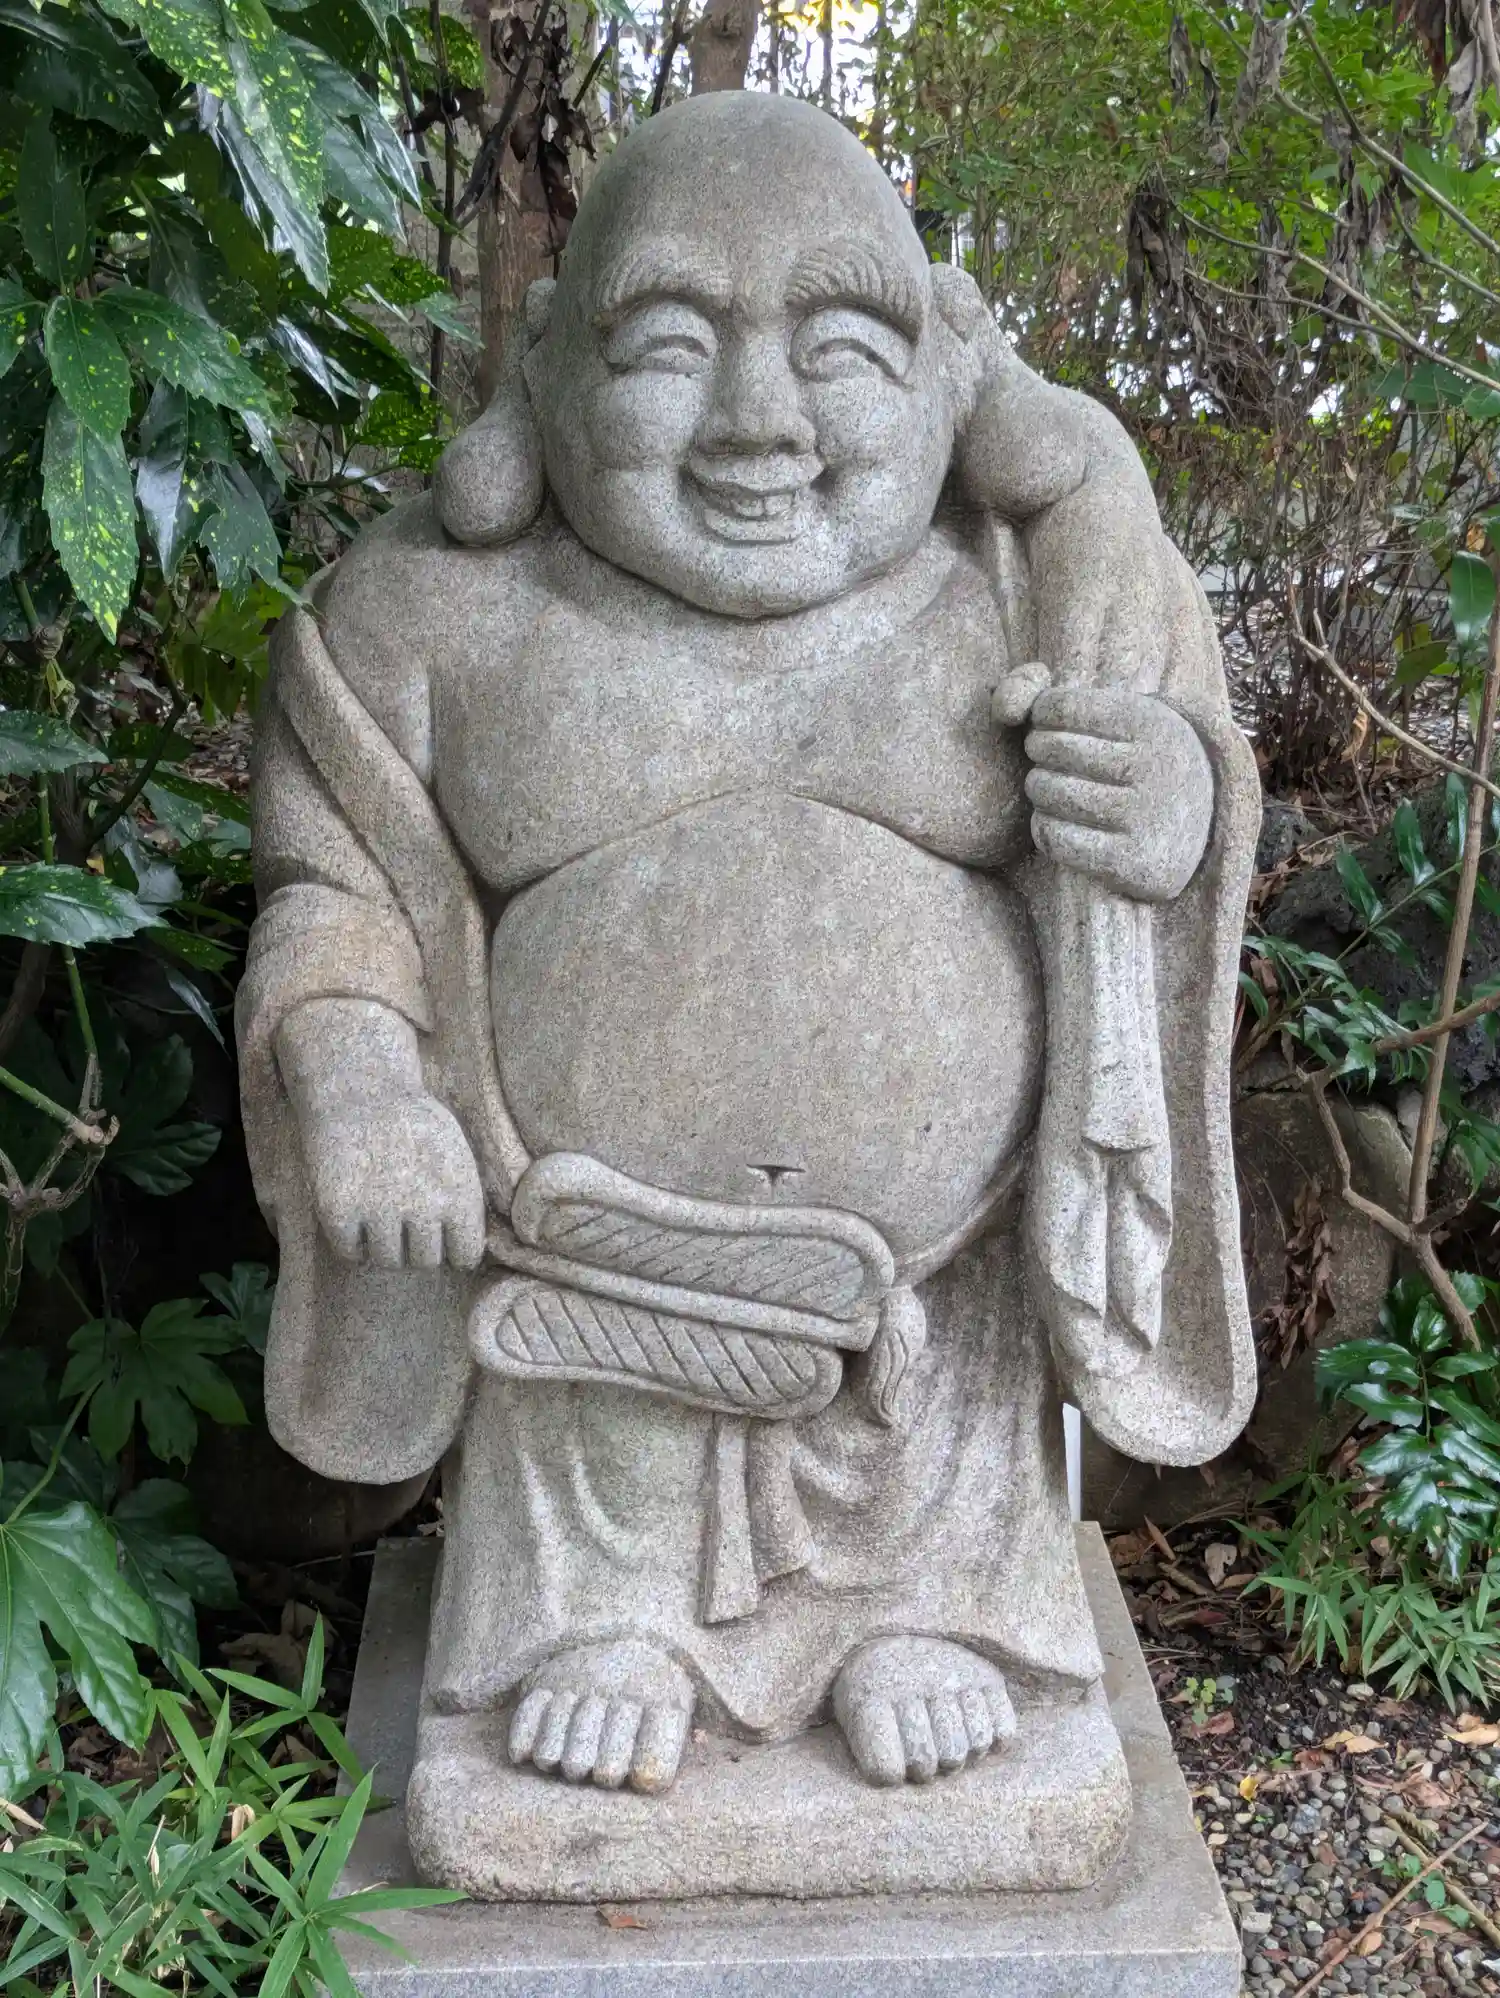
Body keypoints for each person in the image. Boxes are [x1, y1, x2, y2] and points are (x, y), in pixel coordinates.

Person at [239, 92, 1255, 1856]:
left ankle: (929, 1614)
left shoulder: (1028, 582)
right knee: (589, 1407)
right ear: (548, 364)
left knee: (939, 1420)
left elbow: (1182, 834)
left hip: (933, 1318)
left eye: (841, 346)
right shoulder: (434, 620)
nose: (758, 421)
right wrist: (361, 1083)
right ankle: (601, 1623)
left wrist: (1165, 808)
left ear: (945, 366)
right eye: (668, 346)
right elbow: (336, 893)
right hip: (586, 1280)